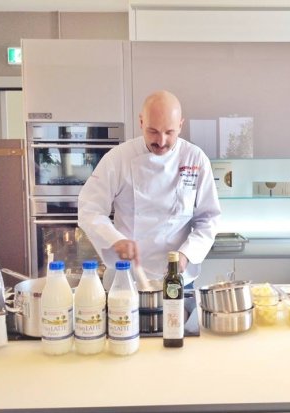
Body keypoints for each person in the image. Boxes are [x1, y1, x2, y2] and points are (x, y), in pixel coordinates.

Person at [78, 90, 221, 288]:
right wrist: (115, 240)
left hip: (177, 279)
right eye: (153, 131)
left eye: (169, 132)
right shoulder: (119, 158)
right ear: (141, 122)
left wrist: (186, 254)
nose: (161, 141)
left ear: (180, 125)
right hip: (125, 277)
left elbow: (209, 219)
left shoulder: (195, 159)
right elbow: (89, 209)